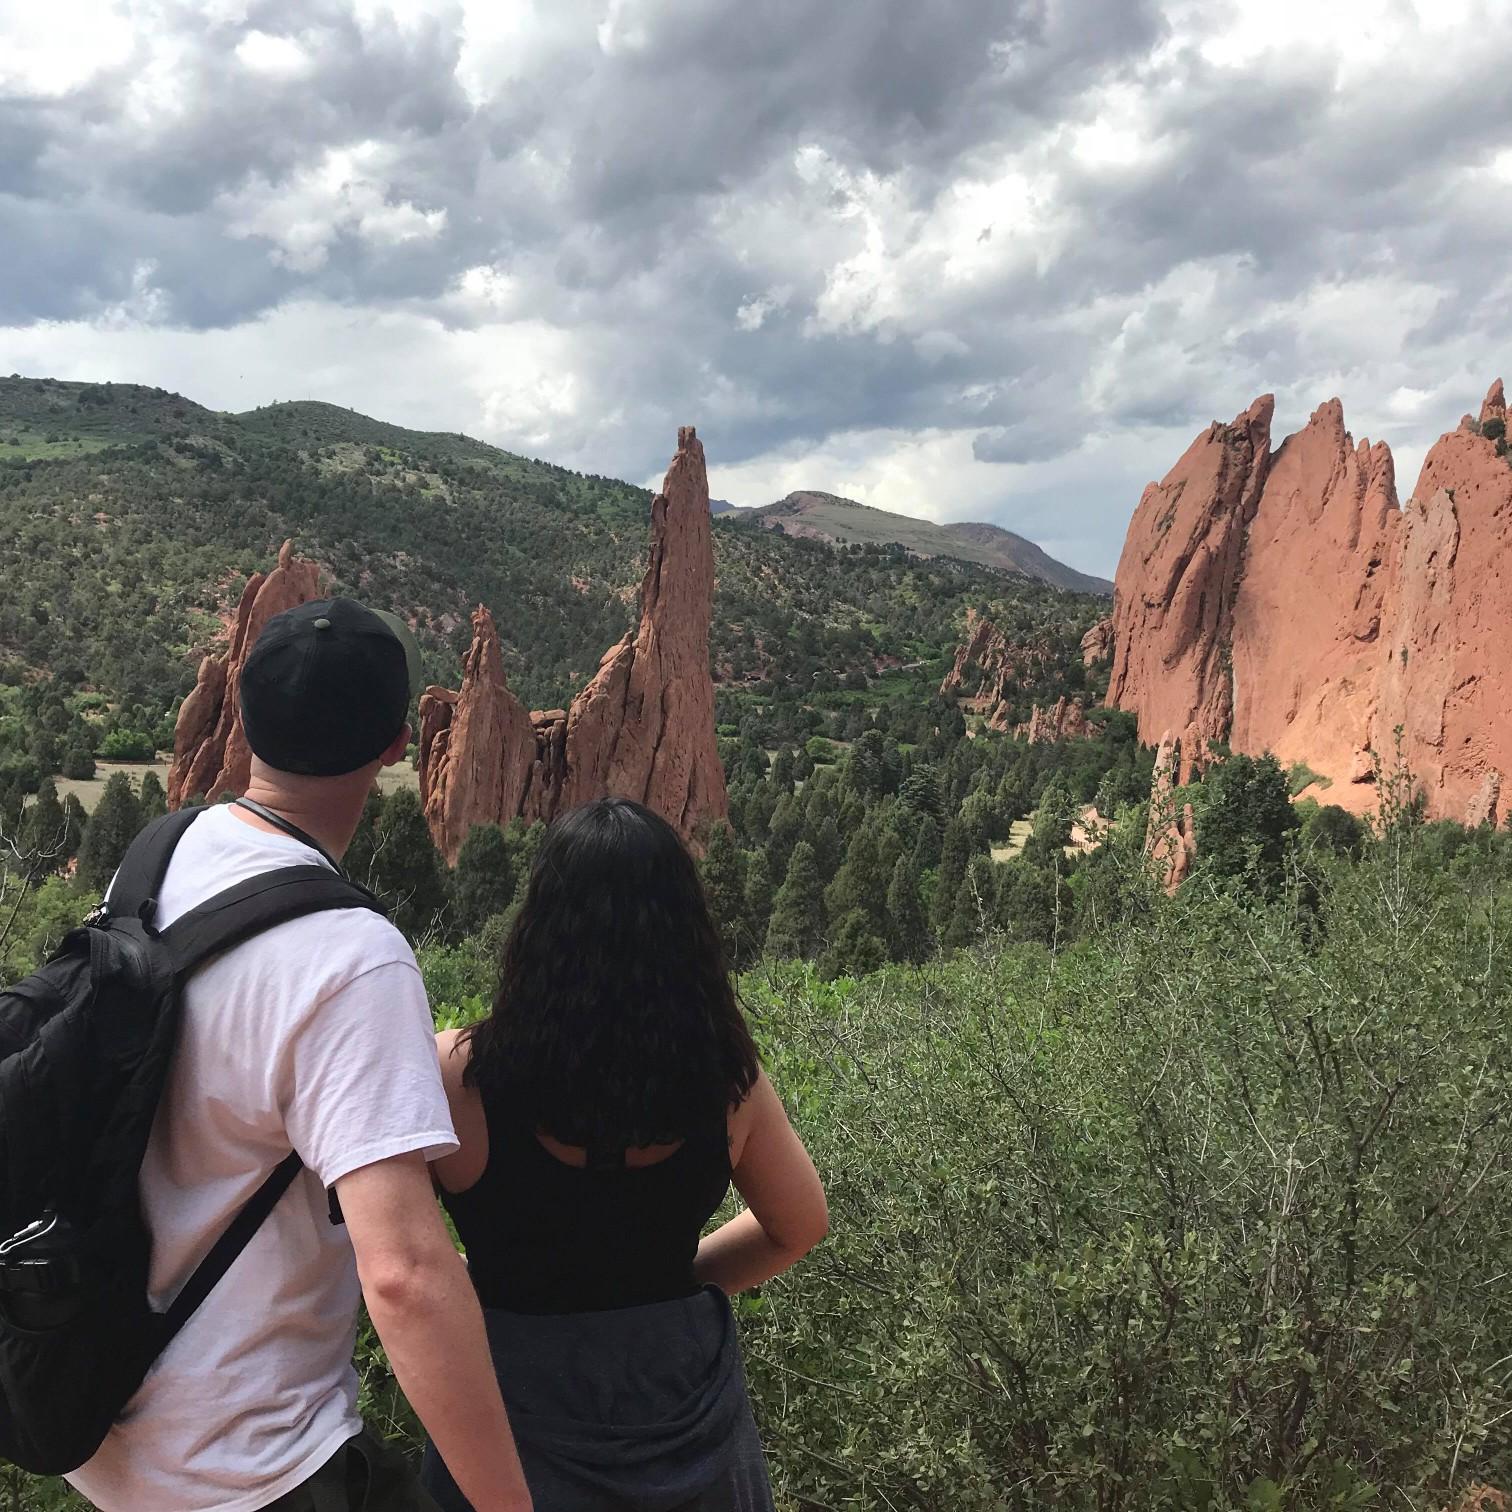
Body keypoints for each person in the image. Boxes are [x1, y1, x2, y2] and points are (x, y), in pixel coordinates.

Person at [67, 598, 532, 1512]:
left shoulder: (160, 854)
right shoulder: (354, 955)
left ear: (242, 723)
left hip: (103, 1425)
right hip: (252, 1463)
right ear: (402, 742)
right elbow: (403, 1275)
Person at [424, 797, 828, 1512]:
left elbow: (372, 1240)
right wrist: (664, 1286)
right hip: (686, 1431)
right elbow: (797, 1227)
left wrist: (459, 1282)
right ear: (685, 932)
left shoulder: (456, 1074)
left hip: (508, 1429)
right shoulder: (726, 1081)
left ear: (538, 925)